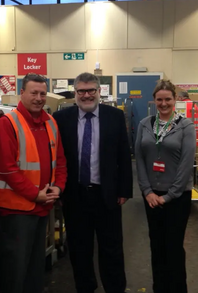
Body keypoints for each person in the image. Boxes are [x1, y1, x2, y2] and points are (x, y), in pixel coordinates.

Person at [53, 73, 133, 293]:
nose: (86, 95)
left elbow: (124, 155)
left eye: (91, 91)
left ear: (99, 92)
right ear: (75, 93)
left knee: (112, 248)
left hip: (107, 194)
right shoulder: (62, 119)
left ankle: (115, 288)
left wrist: (125, 190)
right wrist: (59, 191)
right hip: (75, 195)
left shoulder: (114, 116)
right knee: (79, 249)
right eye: (81, 91)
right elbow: (57, 159)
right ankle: (85, 288)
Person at [0, 73, 67, 293]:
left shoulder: (50, 122)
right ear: (22, 93)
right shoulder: (7, 124)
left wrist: (58, 187)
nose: (38, 98)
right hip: (16, 211)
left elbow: (60, 162)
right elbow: (7, 169)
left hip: (42, 208)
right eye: (33, 93)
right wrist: (36, 194)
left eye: (42, 93)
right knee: (15, 271)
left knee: (35, 269)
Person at [135, 79, 196, 293]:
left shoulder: (185, 126)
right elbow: (139, 159)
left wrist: (169, 196)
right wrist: (147, 191)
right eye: (159, 99)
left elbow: (186, 164)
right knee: (156, 246)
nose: (163, 103)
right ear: (154, 100)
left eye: (167, 99)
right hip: (152, 197)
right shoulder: (144, 124)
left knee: (174, 247)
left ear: (175, 100)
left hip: (177, 197)